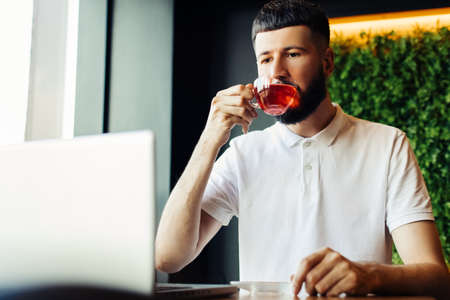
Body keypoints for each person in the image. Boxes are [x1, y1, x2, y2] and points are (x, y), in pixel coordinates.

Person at [155, 0, 449, 298]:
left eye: (293, 54)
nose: (278, 71)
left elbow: (437, 277)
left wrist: (367, 274)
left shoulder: (388, 145)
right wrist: (209, 139)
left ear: (327, 62)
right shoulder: (244, 153)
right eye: (266, 59)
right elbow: (169, 256)